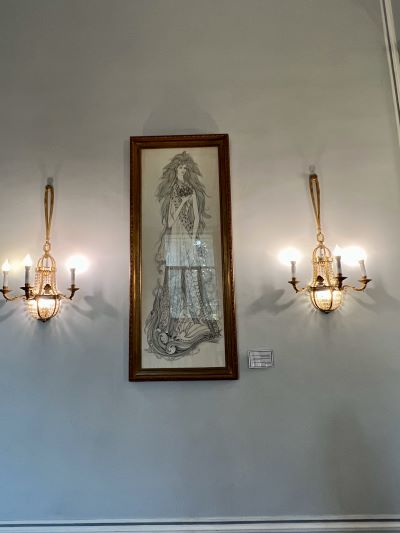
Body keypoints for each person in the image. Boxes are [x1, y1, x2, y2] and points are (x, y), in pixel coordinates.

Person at [145, 151, 221, 360]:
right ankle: (172, 321)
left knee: (192, 272)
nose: (183, 171)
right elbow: (170, 223)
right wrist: (181, 204)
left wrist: (193, 238)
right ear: (175, 170)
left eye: (185, 168)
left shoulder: (193, 191)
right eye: (180, 168)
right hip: (175, 237)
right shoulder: (173, 193)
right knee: (175, 273)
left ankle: (196, 317)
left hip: (187, 237)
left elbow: (196, 218)